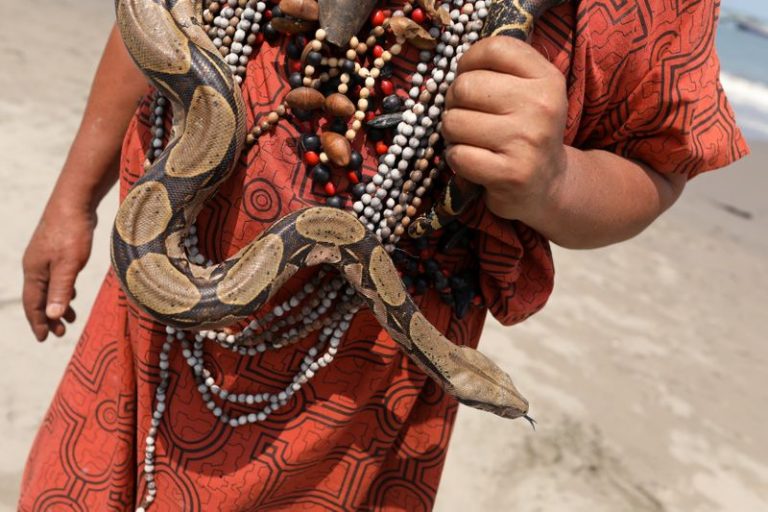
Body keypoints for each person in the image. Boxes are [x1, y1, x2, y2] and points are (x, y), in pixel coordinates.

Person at [19, 0, 748, 510]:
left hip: (357, 390)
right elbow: (160, 25)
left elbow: (659, 162)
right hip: (151, 297)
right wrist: (73, 197)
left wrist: (553, 180)